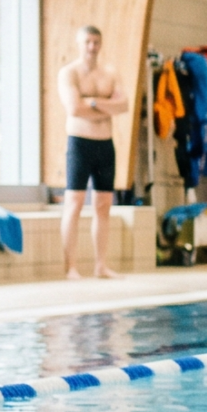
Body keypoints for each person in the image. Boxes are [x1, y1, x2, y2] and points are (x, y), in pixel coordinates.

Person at [57, 25, 127, 279]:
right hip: (79, 143)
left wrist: (94, 103)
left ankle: (101, 265)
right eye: (87, 41)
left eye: (96, 42)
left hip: (104, 144)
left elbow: (124, 105)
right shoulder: (69, 73)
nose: (92, 47)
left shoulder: (110, 73)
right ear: (79, 43)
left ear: (101, 44)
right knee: (74, 203)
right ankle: (71, 267)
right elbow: (74, 108)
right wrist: (107, 106)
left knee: (103, 205)